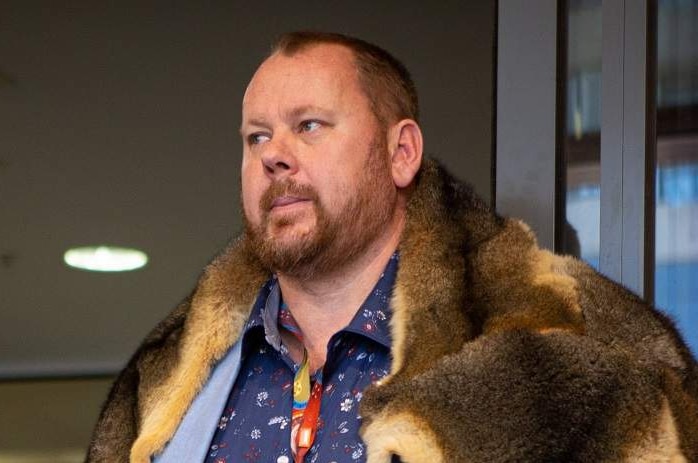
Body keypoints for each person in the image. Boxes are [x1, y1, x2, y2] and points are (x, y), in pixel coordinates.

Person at [87, 31, 698, 463]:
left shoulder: (545, 340)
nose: (272, 154)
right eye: (256, 136)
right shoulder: (172, 385)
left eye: (309, 125)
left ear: (401, 152)